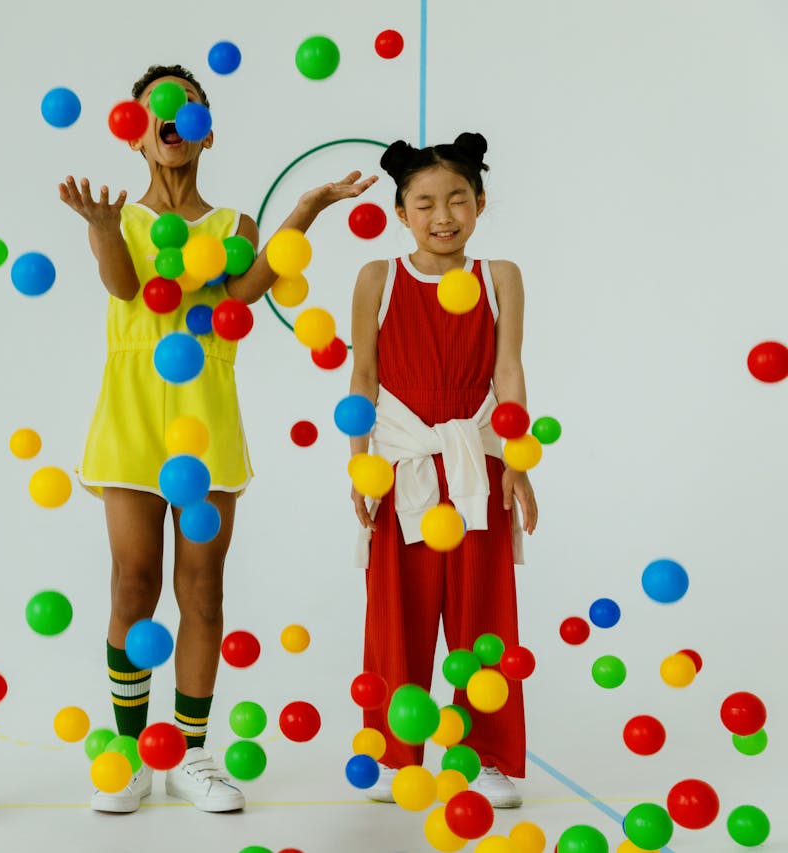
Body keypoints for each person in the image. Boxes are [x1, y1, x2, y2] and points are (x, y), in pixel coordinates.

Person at [59, 64, 376, 813]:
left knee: (202, 590)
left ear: (207, 129)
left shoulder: (233, 224)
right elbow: (127, 289)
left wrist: (306, 209)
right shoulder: (124, 220)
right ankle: (135, 751)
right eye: (155, 109)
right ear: (134, 133)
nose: (171, 116)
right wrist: (106, 231)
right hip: (131, 416)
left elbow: (247, 288)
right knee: (132, 583)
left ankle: (191, 755)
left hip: (206, 420)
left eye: (188, 105)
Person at [349, 132, 538, 808]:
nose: (442, 215)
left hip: (477, 459)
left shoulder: (500, 276)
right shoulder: (378, 277)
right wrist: (360, 467)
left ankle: (482, 753)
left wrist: (518, 463)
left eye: (457, 198)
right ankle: (398, 752)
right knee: (395, 613)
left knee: (482, 611)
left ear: (480, 203)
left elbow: (509, 371)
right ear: (401, 214)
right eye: (424, 202)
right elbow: (363, 376)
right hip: (402, 462)